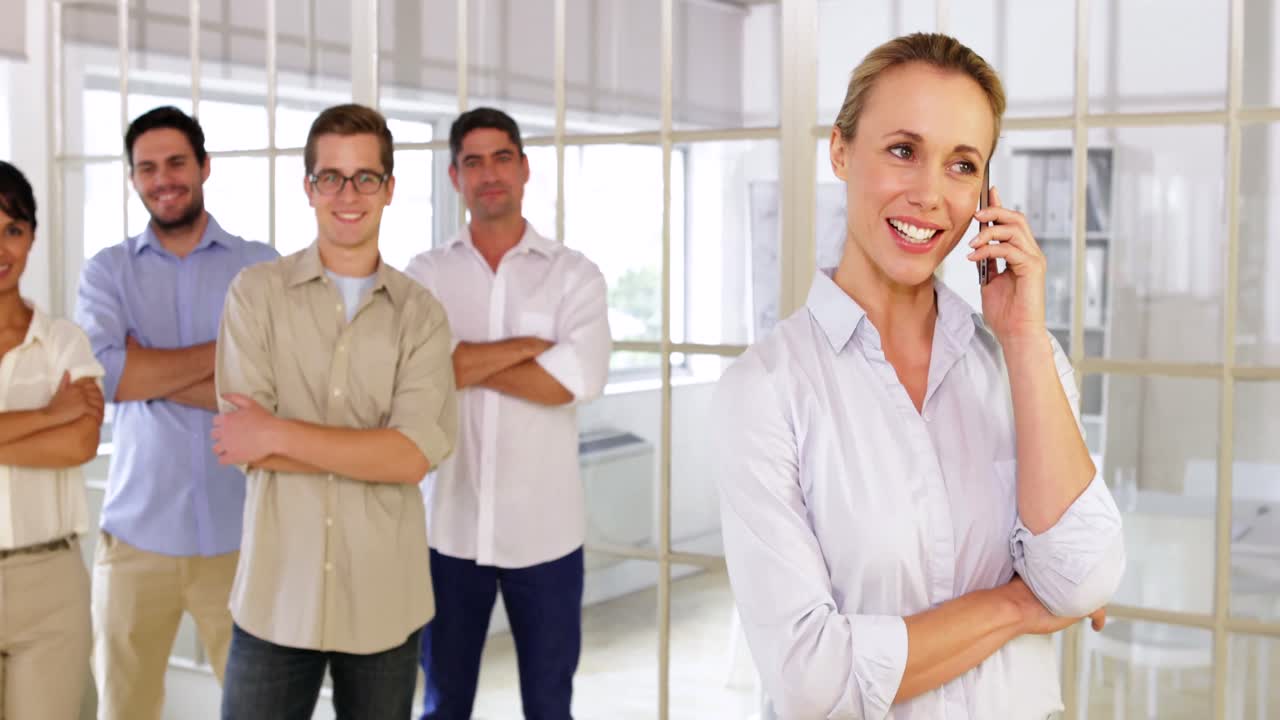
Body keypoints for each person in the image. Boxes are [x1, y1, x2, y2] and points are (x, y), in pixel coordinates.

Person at [714, 33, 1126, 719]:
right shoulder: (768, 390)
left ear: (986, 192)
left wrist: (1022, 335)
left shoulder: (1024, 363)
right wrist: (1022, 602)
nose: (931, 194)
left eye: (962, 165)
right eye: (903, 151)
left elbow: (1083, 577)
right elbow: (811, 679)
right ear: (841, 151)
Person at [214, 103, 457, 720]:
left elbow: (410, 458)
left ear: (389, 189)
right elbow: (243, 444)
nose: (348, 194)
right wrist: (365, 450)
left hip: (385, 600)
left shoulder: (422, 314)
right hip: (276, 595)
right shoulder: (254, 294)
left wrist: (277, 431)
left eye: (365, 177)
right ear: (309, 187)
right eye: (331, 177)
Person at [405, 107, 610, 720]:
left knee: (550, 706)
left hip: (545, 536)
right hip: (449, 531)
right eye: (473, 161)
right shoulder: (424, 275)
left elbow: (579, 380)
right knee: (443, 705)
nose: (489, 173)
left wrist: (462, 359)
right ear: (454, 176)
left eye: (501, 158)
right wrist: (527, 347)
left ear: (524, 168)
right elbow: (417, 377)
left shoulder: (575, 275)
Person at [74, 106, 278, 719]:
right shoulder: (107, 271)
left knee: (257, 710)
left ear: (204, 167)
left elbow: (274, 385)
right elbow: (106, 376)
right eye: (147, 168)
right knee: (125, 709)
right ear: (134, 178)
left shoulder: (258, 265)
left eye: (176, 163)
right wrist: (226, 362)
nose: (163, 178)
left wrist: (150, 369)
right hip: (137, 539)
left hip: (240, 536)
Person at [0, 160, 105, 719]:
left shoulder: (64, 341)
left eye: (12, 230)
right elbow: (61, 431)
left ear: (32, 237)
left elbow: (80, 445)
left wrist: (62, 420)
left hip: (49, 582)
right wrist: (48, 413)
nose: (0, 248)